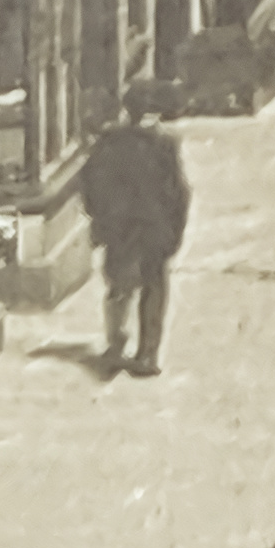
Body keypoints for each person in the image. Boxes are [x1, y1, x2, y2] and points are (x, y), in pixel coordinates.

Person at [80, 97, 191, 379]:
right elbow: (179, 192)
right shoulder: (163, 146)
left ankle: (117, 343)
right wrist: (176, 229)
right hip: (154, 226)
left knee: (119, 286)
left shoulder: (109, 145)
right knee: (153, 287)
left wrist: (100, 222)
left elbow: (90, 185)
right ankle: (148, 352)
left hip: (122, 227)